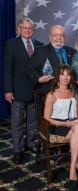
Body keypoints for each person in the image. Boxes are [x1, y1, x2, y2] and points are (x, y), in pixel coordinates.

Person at [3, 17, 44, 164]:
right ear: (18, 29)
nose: (27, 30)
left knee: (33, 120)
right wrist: (8, 90)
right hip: (17, 90)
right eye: (24, 28)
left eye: (30, 28)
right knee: (17, 122)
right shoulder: (11, 44)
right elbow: (7, 69)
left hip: (35, 90)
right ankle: (18, 149)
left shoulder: (39, 45)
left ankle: (30, 143)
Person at [44, 64, 78, 186]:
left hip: (73, 123)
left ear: (71, 77)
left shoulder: (74, 92)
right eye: (62, 74)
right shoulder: (52, 95)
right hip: (58, 125)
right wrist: (65, 123)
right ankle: (76, 165)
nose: (65, 78)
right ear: (58, 76)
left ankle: (75, 165)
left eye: (68, 75)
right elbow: (47, 118)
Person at [28, 25, 77, 93]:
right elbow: (31, 69)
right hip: (47, 92)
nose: (59, 38)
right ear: (50, 37)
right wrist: (38, 79)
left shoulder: (73, 52)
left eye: (61, 35)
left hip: (68, 92)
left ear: (64, 37)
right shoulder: (40, 51)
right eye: (55, 35)